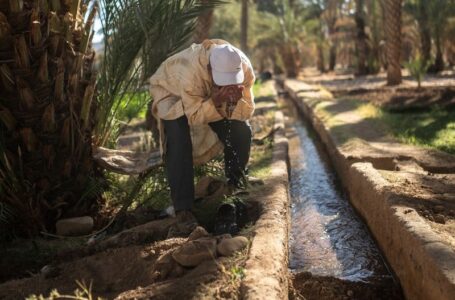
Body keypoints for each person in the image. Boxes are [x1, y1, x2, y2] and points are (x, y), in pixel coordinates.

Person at [148, 39, 255, 234]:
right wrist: (216, 100)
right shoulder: (191, 72)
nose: (230, 83)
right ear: (209, 68)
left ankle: (236, 182)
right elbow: (194, 116)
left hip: (205, 93)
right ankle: (183, 209)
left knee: (241, 131)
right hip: (171, 91)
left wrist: (234, 101)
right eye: (223, 80)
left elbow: (246, 113)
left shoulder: (244, 68)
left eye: (233, 80)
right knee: (179, 140)